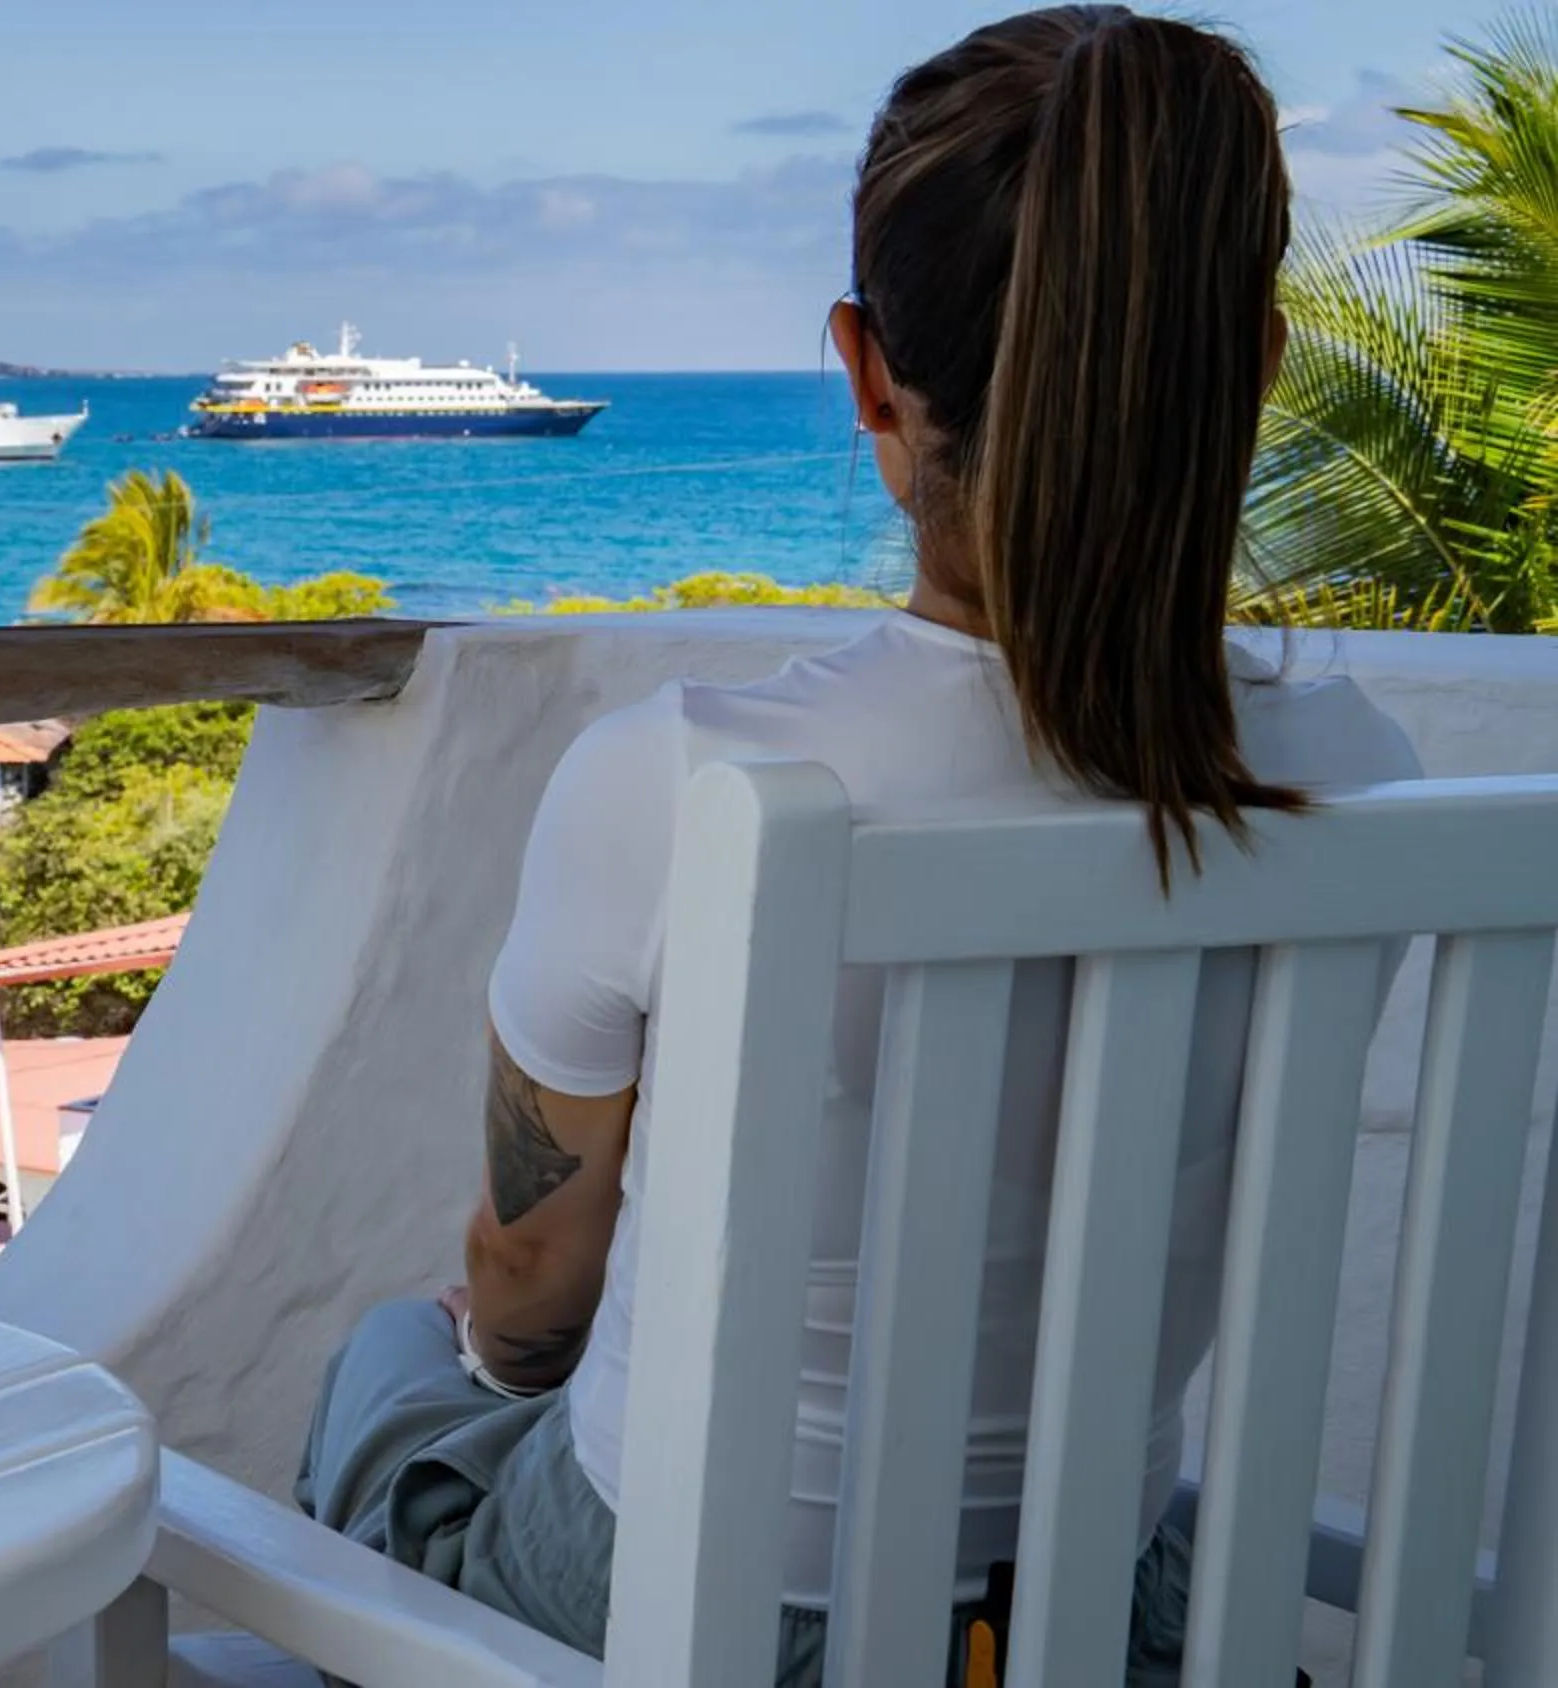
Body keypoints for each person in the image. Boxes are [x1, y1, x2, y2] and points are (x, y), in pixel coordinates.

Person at [293, 9, 1424, 1685]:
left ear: (869, 370)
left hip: (700, 1617)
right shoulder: (1364, 781)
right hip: (1112, 1621)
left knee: (405, 1364)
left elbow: (531, 1262)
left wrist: (511, 1368)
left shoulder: (677, 782)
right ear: (1255, 363)